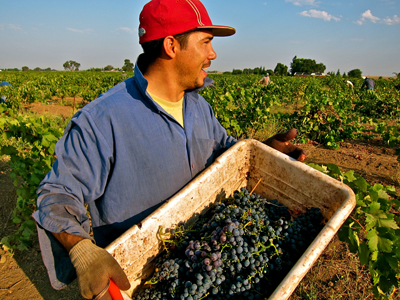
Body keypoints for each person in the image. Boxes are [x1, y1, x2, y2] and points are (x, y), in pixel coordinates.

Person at [32, 1, 306, 299]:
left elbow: (226, 155)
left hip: (205, 257)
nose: (212, 54)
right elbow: (56, 194)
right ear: (171, 45)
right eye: (206, 43)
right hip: (147, 278)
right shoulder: (101, 121)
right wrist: (83, 250)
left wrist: (265, 152)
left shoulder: (199, 107)